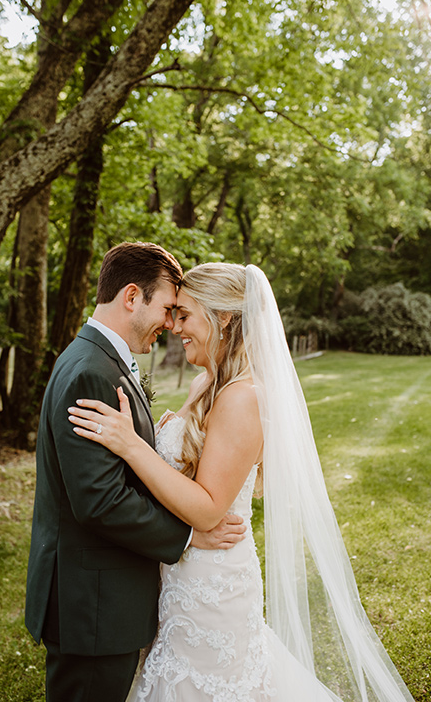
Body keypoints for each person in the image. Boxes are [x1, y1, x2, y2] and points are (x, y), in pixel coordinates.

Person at [68, 262, 415, 702]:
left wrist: (132, 446)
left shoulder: (243, 396)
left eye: (186, 315)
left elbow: (210, 508)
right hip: (178, 573)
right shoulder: (205, 383)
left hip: (213, 584)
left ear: (225, 318)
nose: (176, 327)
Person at [25, 243, 246, 702]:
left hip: (110, 600)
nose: (171, 324)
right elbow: (100, 501)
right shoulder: (92, 372)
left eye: (181, 314)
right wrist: (188, 536)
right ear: (131, 297)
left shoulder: (101, 361)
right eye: (168, 309)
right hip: (93, 604)